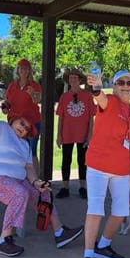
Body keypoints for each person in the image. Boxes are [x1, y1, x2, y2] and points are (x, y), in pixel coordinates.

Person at [0, 110, 84, 257]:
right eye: (22, 123)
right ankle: (4, 240)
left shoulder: (25, 145)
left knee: (44, 192)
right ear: (13, 120)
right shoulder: (1, 128)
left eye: (27, 129)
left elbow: (29, 167)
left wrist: (36, 182)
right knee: (20, 194)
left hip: (16, 180)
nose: (23, 128)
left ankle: (60, 231)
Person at [75, 69, 130, 258]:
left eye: (129, 82)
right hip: (98, 166)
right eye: (121, 82)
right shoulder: (109, 100)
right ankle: (88, 255)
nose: (126, 85)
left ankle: (104, 244)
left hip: (121, 169)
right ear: (114, 85)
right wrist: (97, 86)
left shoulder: (129, 109)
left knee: (121, 211)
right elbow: (98, 96)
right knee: (95, 209)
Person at [55, 67, 94, 199]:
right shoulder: (64, 97)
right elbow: (60, 117)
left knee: (82, 160)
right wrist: (58, 135)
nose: (73, 80)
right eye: (71, 78)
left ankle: (83, 186)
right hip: (67, 133)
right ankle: (65, 186)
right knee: (66, 159)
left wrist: (90, 134)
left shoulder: (87, 96)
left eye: (75, 78)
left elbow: (91, 116)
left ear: (80, 80)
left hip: (83, 133)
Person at [1, 58, 42, 168]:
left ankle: (35, 181)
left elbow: (37, 100)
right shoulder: (12, 86)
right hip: (15, 124)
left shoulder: (34, 85)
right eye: (21, 68)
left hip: (32, 123)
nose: (24, 71)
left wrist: (33, 94)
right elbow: (8, 102)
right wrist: (4, 107)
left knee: (31, 153)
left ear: (29, 71)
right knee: (16, 152)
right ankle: (19, 179)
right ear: (17, 70)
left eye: (26, 69)